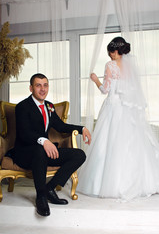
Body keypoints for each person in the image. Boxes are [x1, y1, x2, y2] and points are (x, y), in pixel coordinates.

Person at [77, 37, 159, 201]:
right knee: (131, 144)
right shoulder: (130, 67)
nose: (109, 55)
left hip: (113, 108)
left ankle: (108, 184)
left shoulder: (110, 65)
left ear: (115, 51)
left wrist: (95, 80)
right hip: (127, 110)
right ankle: (144, 183)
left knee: (109, 143)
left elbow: (105, 90)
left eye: (110, 52)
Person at [12, 73, 91, 216]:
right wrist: (44, 141)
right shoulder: (22, 107)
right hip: (25, 153)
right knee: (40, 150)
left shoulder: (49, 106)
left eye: (45, 85)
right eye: (38, 85)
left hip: (43, 153)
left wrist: (82, 129)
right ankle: (41, 196)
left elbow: (60, 126)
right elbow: (25, 133)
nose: (42, 89)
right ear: (31, 88)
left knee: (79, 155)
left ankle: (49, 188)